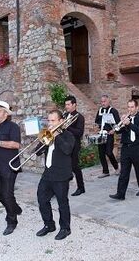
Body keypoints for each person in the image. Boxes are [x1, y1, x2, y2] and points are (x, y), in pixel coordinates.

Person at [35, 110, 75, 240]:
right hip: (48, 174)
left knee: (62, 203)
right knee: (42, 199)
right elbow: (37, 152)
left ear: (61, 121)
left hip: (61, 175)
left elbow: (68, 150)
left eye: (53, 121)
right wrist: (43, 139)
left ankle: (65, 228)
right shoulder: (48, 135)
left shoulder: (68, 135)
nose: (50, 123)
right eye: (49, 120)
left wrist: (57, 136)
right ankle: (49, 225)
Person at [0, 100, 22, 236]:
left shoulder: (13, 127)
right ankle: (15, 207)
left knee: (7, 194)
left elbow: (16, 145)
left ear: (6, 114)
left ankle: (12, 221)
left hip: (9, 166)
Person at [109, 99, 139, 200]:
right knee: (124, 172)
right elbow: (118, 131)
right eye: (128, 107)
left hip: (137, 147)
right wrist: (120, 124)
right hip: (126, 148)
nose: (130, 109)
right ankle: (120, 194)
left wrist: (129, 124)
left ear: (136, 108)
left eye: (132, 107)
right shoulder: (126, 118)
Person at [64, 95, 86, 196]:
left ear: (74, 105)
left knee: (75, 167)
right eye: (66, 104)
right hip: (65, 144)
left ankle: (81, 188)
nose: (66, 106)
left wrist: (67, 127)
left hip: (74, 145)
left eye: (68, 104)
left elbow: (79, 133)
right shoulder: (65, 115)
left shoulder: (79, 117)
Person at [95, 95, 120, 178]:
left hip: (109, 134)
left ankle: (116, 168)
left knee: (109, 152)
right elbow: (97, 122)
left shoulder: (113, 111)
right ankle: (105, 171)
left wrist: (114, 130)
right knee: (101, 154)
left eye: (104, 101)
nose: (103, 103)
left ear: (109, 101)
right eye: (101, 101)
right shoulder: (100, 110)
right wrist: (96, 126)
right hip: (101, 134)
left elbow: (118, 124)